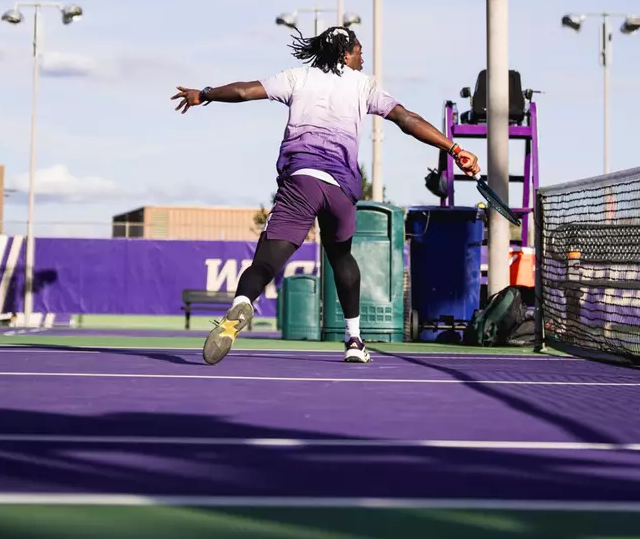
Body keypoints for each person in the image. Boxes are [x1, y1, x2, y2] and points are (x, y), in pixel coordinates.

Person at [172, 26, 479, 365]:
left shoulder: (297, 78)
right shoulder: (364, 85)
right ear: (346, 54)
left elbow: (244, 92)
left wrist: (206, 93)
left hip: (300, 182)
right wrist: (453, 147)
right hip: (340, 189)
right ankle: (354, 340)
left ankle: (242, 304)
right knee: (341, 257)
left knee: (265, 262)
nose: (363, 57)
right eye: (359, 50)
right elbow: (406, 119)